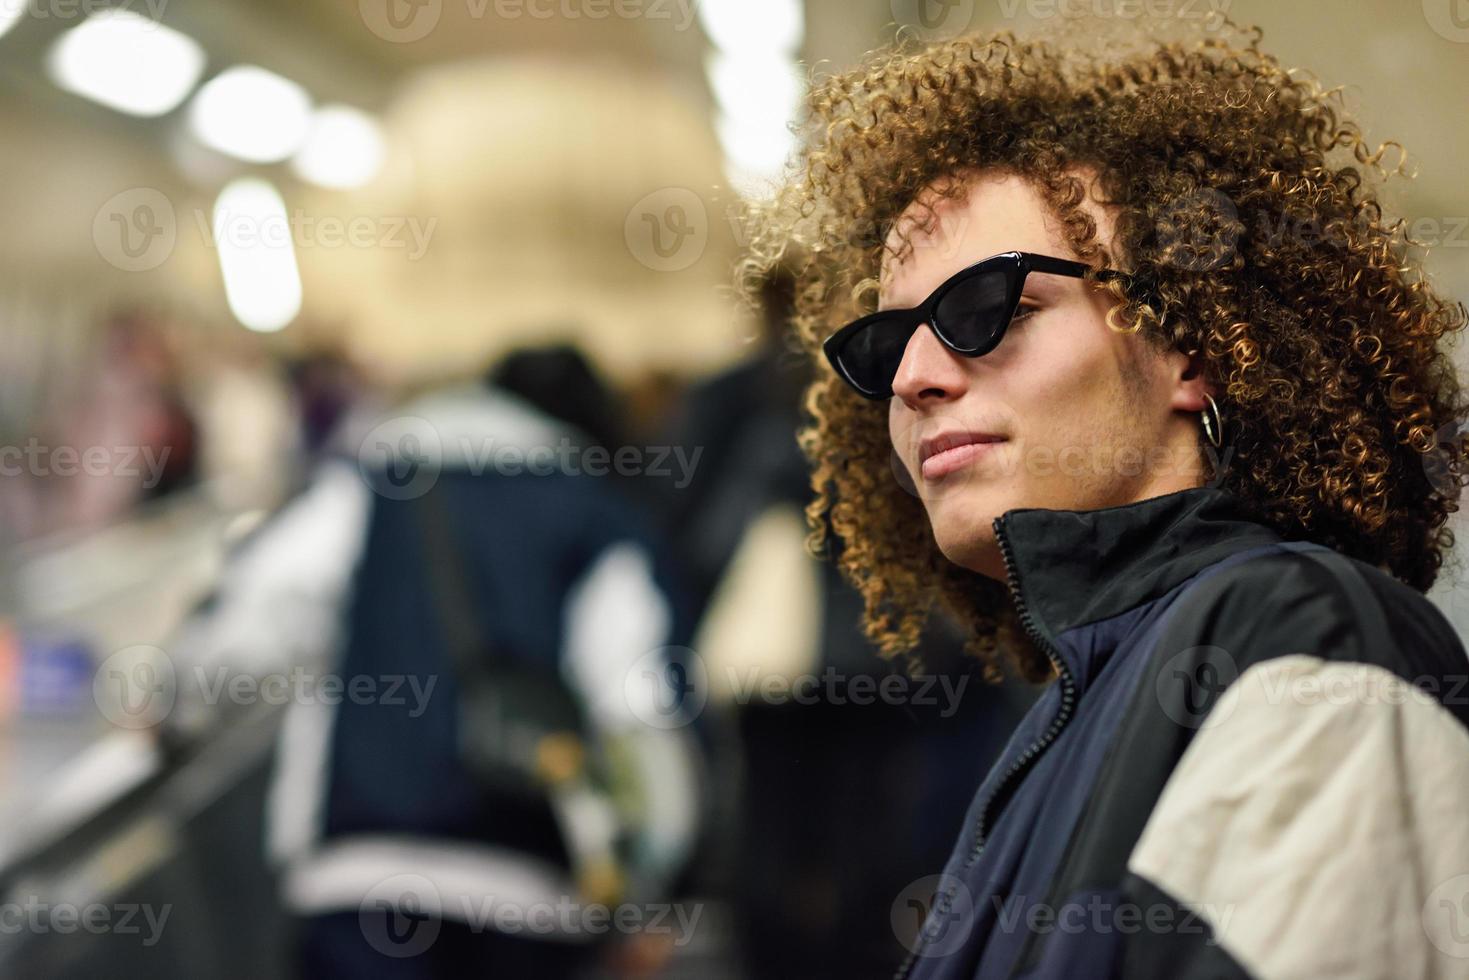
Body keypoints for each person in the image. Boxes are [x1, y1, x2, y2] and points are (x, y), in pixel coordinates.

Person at [737, 17, 1469, 980]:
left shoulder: (1301, 631)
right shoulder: (1053, 718)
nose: (914, 375)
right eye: (884, 344)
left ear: (1193, 349)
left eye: (987, 308)